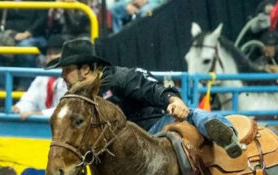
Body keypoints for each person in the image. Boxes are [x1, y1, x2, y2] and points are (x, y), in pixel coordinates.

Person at [46, 39, 242, 157]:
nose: (63, 75)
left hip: (151, 132)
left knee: (190, 115)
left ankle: (227, 133)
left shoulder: (120, 77)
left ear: (86, 69)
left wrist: (173, 100)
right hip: (121, 149)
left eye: (67, 70)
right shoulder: (77, 99)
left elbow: (150, 88)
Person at [0, 0, 48, 89]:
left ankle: (25, 85)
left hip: (33, 36)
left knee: (25, 46)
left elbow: (42, 18)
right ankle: (1, 85)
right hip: (6, 36)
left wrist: (28, 33)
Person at [11, 35, 68, 120]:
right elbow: (30, 99)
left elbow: (68, 109)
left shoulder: (72, 78)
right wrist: (20, 107)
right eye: (49, 53)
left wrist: (41, 113)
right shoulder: (42, 76)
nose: (52, 57)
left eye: (56, 53)